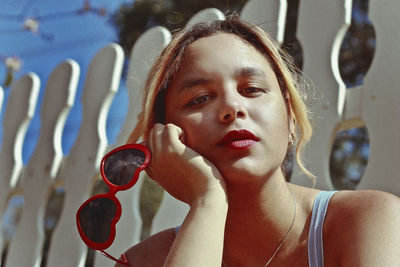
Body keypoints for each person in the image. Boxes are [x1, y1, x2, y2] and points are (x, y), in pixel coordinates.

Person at [117, 15, 400, 266]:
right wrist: (208, 201)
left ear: (290, 117)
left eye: (252, 89)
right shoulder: (143, 261)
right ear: (164, 136)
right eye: (200, 99)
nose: (231, 107)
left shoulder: (368, 222)